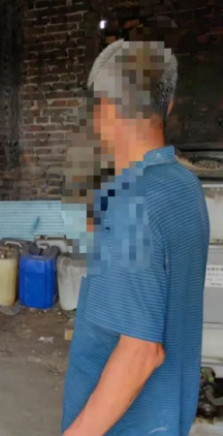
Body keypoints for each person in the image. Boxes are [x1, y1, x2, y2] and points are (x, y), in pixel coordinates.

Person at [62, 39, 209, 436]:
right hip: (167, 416)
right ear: (168, 105)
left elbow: (141, 353)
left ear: (105, 109)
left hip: (126, 424)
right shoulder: (185, 185)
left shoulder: (132, 206)